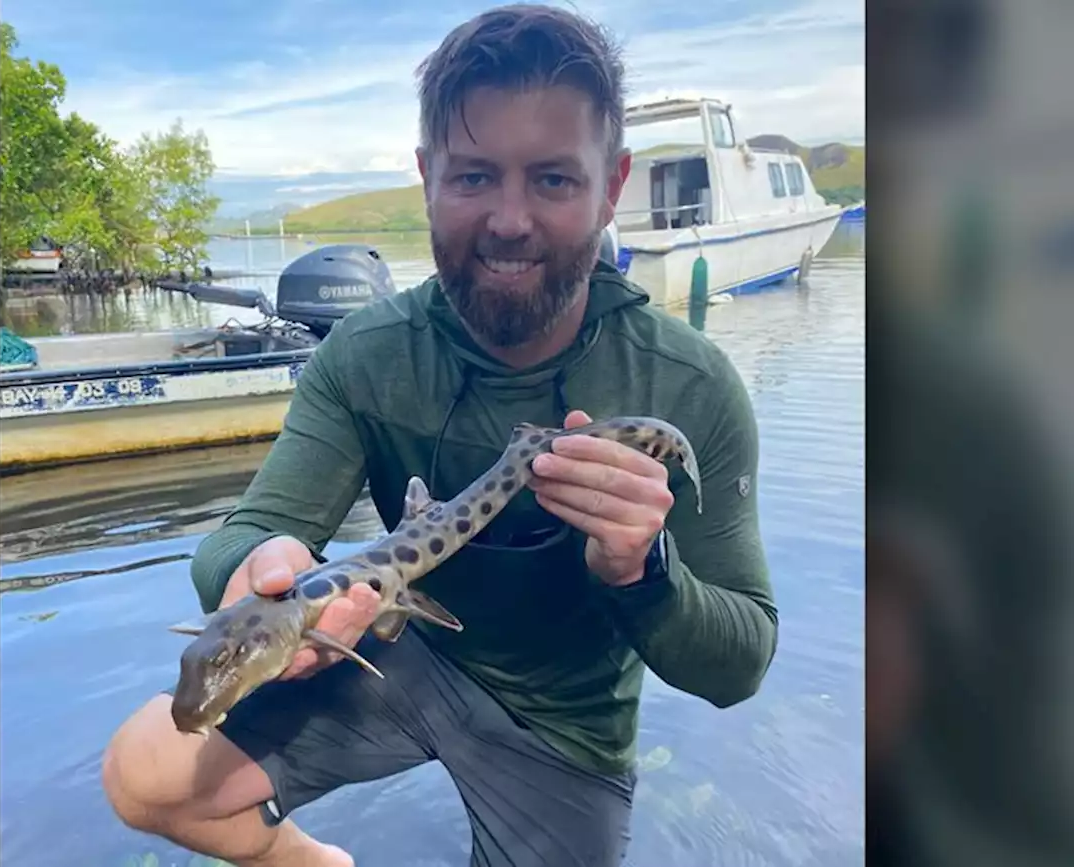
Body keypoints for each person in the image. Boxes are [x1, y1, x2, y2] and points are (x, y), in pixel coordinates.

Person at [101, 5, 778, 866]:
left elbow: (741, 661)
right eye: (473, 177)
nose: (508, 218)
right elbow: (243, 535)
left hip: (564, 727)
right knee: (141, 771)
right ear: (427, 176)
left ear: (612, 185)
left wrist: (642, 572)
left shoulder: (690, 385)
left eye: (554, 180)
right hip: (401, 651)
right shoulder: (368, 351)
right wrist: (254, 568)